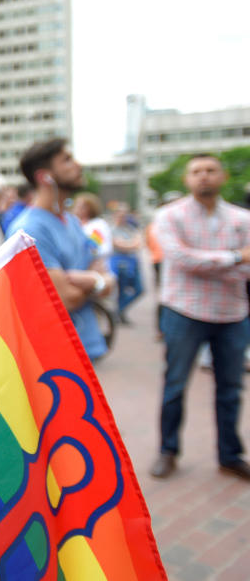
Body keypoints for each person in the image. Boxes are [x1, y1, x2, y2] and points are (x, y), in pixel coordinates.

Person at [148, 153, 250, 481]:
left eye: (210, 170)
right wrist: (234, 258)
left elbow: (202, 263)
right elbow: (180, 259)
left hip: (232, 314)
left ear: (222, 176)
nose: (203, 176)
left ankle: (230, 455)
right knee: (175, 385)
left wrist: (210, 264)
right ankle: (168, 450)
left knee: (231, 388)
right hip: (184, 312)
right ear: (187, 179)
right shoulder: (168, 216)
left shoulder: (242, 218)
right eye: (196, 171)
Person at [6, 138, 115, 362]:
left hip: (85, 343)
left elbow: (106, 277)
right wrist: (97, 281)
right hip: (55, 356)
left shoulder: (73, 222)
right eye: (67, 160)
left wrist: (94, 281)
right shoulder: (29, 229)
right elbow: (66, 298)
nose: (78, 165)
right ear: (44, 177)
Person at [110, 203, 144, 324]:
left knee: (139, 289)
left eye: (124, 215)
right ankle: (120, 313)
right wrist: (130, 244)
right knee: (121, 290)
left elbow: (138, 243)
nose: (122, 217)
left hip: (132, 263)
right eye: (120, 215)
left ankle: (118, 310)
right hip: (119, 264)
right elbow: (117, 244)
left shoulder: (130, 229)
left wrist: (126, 244)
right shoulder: (111, 229)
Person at [72, 192, 113, 265]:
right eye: (76, 205)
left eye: (82, 206)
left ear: (91, 208)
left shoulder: (97, 224)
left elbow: (103, 248)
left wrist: (88, 252)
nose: (77, 209)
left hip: (96, 266)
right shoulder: (72, 223)